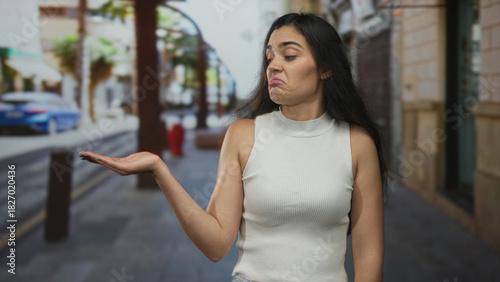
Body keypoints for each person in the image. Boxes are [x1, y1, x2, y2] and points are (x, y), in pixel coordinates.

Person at [80, 13, 386, 282]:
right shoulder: (243, 135)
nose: (274, 66)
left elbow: (369, 257)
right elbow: (215, 245)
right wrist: (159, 169)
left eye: (289, 56)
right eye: (270, 58)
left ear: (325, 69)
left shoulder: (356, 143)